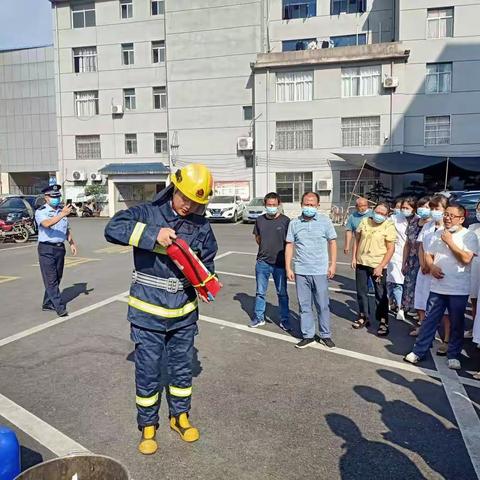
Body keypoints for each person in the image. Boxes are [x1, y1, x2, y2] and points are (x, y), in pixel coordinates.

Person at [105, 163, 218, 455]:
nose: (189, 206)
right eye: (186, 199)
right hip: (148, 312)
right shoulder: (147, 213)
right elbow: (112, 228)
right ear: (174, 189)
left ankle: (179, 417)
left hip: (183, 313)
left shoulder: (201, 225)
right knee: (148, 370)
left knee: (181, 370)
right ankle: (147, 424)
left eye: (196, 202)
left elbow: (208, 262)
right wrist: (153, 234)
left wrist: (206, 281)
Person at [405, 203, 478, 370]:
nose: (447, 218)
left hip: (458, 288)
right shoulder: (436, 234)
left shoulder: (469, 236)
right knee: (430, 320)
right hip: (437, 287)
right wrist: (432, 266)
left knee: (457, 322)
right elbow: (428, 254)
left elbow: (466, 259)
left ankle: (453, 355)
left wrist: (450, 242)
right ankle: (419, 351)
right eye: (446, 214)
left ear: (461, 219)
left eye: (452, 215)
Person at [285, 192, 337, 349]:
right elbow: (289, 245)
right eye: (306, 204)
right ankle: (308, 335)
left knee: (322, 304)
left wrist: (333, 264)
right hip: (301, 270)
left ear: (317, 206)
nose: (309, 207)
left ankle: (325, 334)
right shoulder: (294, 223)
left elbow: (332, 242)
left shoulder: (325, 221)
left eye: (312, 204)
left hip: (320, 270)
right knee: (304, 305)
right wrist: (288, 267)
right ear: (301, 205)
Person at [351, 202, 396, 336]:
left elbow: (390, 249)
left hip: (378, 265)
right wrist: (354, 257)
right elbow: (357, 240)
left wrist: (381, 266)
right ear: (373, 211)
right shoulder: (364, 222)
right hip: (362, 262)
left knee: (380, 294)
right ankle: (364, 316)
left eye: (383, 214)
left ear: (387, 215)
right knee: (361, 291)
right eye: (377, 212)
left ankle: (383, 321)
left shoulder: (388, 226)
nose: (379, 215)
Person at [250, 192, 291, 330]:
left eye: (274, 205)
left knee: (282, 293)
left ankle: (285, 320)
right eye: (269, 205)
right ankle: (259, 318)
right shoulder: (260, 220)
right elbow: (258, 238)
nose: (272, 207)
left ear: (278, 205)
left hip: (280, 264)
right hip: (262, 262)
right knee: (260, 292)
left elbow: (289, 243)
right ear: (265, 205)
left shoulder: (285, 221)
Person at [35, 184, 77, 317]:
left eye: (58, 196)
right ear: (46, 198)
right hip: (46, 248)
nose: (56, 199)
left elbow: (66, 228)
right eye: (53, 197)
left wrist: (71, 243)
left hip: (60, 248)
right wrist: (62, 214)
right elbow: (47, 224)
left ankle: (47, 303)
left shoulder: (61, 210)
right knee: (51, 279)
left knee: (57, 278)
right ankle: (59, 307)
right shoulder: (41, 211)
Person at [412, 196, 449, 349]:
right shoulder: (428, 225)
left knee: (444, 307)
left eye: (437, 209)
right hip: (425, 268)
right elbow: (421, 246)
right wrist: (423, 263)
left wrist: (432, 265)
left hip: (440, 270)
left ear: (445, 210)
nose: (433, 212)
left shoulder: (448, 228)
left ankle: (446, 338)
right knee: (421, 299)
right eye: (432, 208)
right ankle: (423, 327)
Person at [401, 196, 431, 322]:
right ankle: (414, 309)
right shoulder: (414, 222)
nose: (423, 209)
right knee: (410, 285)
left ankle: (423, 317)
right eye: (421, 206)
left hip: (425, 261)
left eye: (427, 207)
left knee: (423, 289)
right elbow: (407, 243)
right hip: (412, 260)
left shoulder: (431, 225)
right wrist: (404, 262)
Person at [387, 197, 411, 320]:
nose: (403, 210)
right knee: (397, 282)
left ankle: (403, 305)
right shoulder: (393, 219)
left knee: (407, 283)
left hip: (411, 256)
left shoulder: (416, 220)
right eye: (402, 208)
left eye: (407, 208)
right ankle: (399, 307)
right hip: (396, 254)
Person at [465, 200, 480, 339]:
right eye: (478, 209)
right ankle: (474, 329)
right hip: (474, 268)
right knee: (475, 300)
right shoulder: (472, 228)